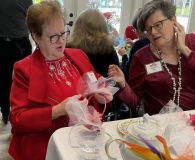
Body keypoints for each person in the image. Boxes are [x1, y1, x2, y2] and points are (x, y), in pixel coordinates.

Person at [9, 1, 113, 160]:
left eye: (63, 32)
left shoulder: (78, 55)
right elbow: (18, 119)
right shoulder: (24, 69)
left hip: (85, 141)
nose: (61, 40)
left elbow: (95, 79)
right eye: (53, 36)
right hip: (49, 145)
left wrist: (102, 91)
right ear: (36, 37)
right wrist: (59, 109)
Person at [108, 1, 195, 115]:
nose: (153, 32)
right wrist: (122, 84)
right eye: (148, 29)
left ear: (173, 20)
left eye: (158, 25)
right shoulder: (142, 57)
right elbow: (134, 101)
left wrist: (185, 50)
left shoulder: (192, 42)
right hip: (162, 125)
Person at [0, 0, 32, 124]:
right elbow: (31, 19)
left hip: (10, 44)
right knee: (23, 83)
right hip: (20, 44)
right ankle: (15, 114)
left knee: (4, 81)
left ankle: (7, 112)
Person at [67, 8, 119, 77]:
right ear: (103, 27)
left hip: (76, 86)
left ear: (78, 27)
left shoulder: (69, 48)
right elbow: (117, 77)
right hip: (105, 86)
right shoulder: (108, 49)